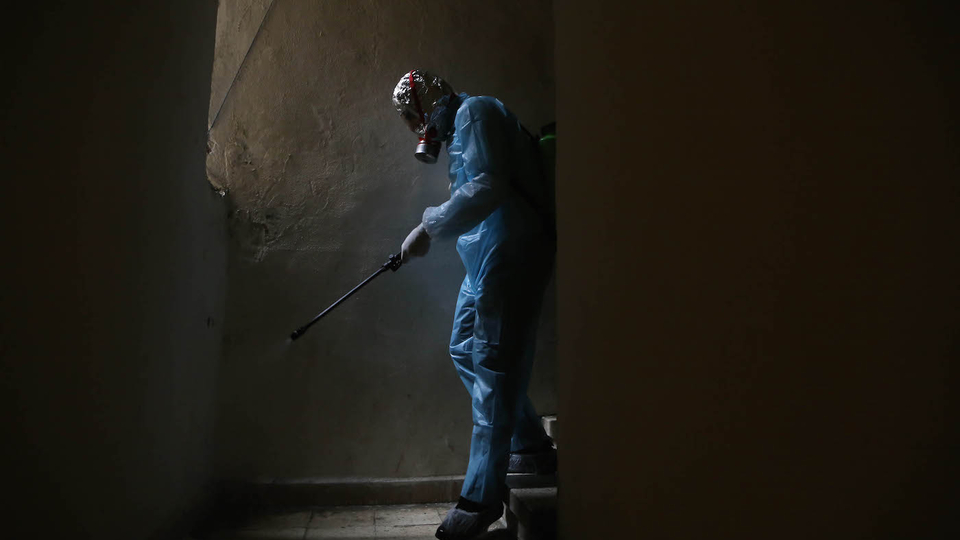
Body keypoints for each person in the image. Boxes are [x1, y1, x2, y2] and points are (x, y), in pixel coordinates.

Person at [393, 70, 556, 539]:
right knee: (464, 347)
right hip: (488, 258)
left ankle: (480, 497)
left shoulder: (477, 112)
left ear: (424, 106)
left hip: (513, 256)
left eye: (411, 119)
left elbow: (488, 186)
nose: (415, 131)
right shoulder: (466, 122)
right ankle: (531, 444)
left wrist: (429, 227)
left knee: (491, 363)